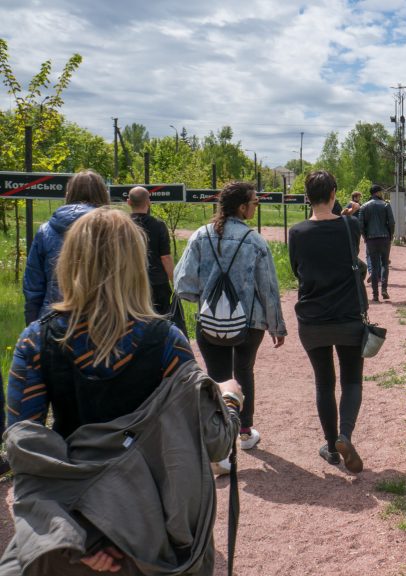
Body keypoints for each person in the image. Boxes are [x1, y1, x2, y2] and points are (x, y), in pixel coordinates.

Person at [2, 208, 242, 575]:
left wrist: (72, 536)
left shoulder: (37, 340)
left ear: (69, 262)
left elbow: (24, 447)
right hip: (151, 531)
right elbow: (214, 442)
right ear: (135, 264)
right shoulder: (166, 342)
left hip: (75, 526)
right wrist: (229, 397)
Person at [174, 181, 287, 452]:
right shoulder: (255, 241)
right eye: (255, 202)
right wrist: (276, 326)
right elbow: (268, 289)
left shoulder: (200, 236)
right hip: (250, 323)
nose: (257, 206)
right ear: (242, 207)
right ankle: (246, 432)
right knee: (244, 371)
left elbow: (183, 284)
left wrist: (206, 298)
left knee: (217, 376)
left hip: (209, 322)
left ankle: (220, 441)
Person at [288, 171, 368, 472]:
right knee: (351, 380)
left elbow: (297, 270)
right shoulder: (350, 226)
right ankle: (344, 435)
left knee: (324, 382)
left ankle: (331, 447)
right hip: (349, 316)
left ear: (307, 196)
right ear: (334, 193)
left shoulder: (297, 232)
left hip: (312, 318)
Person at [23, 169, 110, 325]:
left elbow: (33, 288)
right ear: (103, 194)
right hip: (105, 323)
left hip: (53, 321)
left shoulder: (45, 231)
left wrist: (32, 329)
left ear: (69, 193)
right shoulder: (114, 230)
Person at [127, 186, 174, 315]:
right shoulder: (159, 225)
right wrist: (174, 281)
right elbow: (166, 258)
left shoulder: (122, 224)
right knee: (161, 321)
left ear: (129, 202)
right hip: (157, 283)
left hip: (130, 283)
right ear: (148, 202)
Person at [358, 184, 395, 302]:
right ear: (378, 193)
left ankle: (375, 295)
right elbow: (392, 222)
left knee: (374, 267)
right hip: (384, 238)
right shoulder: (386, 205)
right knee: (385, 264)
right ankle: (384, 289)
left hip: (371, 239)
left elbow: (360, 225)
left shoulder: (363, 207)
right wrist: (390, 235)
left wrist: (365, 237)